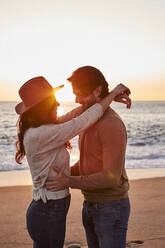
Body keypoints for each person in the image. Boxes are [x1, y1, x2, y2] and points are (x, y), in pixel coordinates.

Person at [15, 75, 131, 248]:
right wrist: (112, 93)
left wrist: (107, 98)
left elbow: (75, 116)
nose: (58, 104)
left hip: (48, 210)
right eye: (53, 101)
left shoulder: (42, 128)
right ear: (42, 108)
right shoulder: (41, 134)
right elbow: (81, 121)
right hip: (48, 212)